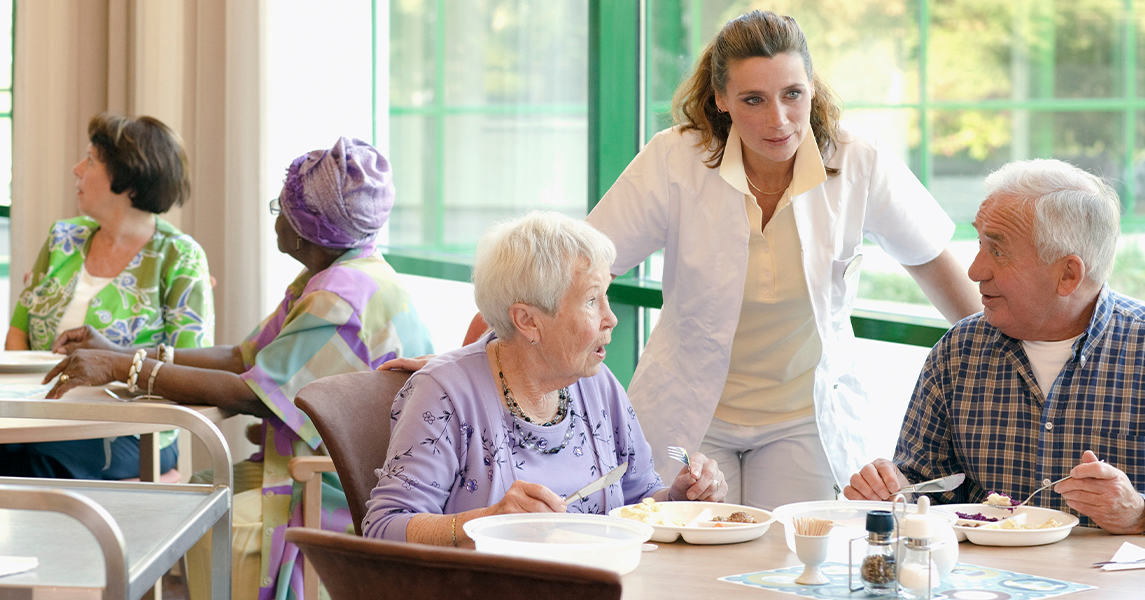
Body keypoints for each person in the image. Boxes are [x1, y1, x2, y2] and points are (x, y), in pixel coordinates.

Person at [583, 10, 982, 510]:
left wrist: (1010, 356)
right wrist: (499, 360)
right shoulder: (675, 158)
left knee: (792, 564)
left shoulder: (857, 160)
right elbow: (583, 269)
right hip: (691, 415)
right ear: (721, 100)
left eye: (792, 94)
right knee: (690, 563)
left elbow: (940, 270)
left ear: (811, 88)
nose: (778, 119)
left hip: (805, 419)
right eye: (753, 99)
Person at [45, 137, 434, 598]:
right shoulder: (339, 273)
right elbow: (243, 357)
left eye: (281, 207)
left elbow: (252, 393)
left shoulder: (339, 297)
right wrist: (125, 353)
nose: (277, 218)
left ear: (307, 227)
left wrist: (121, 367)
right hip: (333, 468)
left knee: (197, 510)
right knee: (197, 489)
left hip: (342, 487)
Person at [363, 211, 726, 545]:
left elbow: (639, 498)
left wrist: (681, 498)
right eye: (590, 301)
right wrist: (488, 522)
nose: (610, 318)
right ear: (528, 321)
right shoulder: (445, 396)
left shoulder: (597, 385)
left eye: (607, 298)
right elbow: (384, 527)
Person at [844, 158, 1145, 534]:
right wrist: (893, 494)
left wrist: (1137, 515)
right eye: (979, 243)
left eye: (998, 251)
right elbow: (923, 491)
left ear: (1068, 274)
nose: (974, 271)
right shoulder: (959, 351)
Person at [1, 113, 213, 481]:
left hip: (132, 429)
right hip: (37, 414)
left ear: (126, 180)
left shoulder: (180, 257)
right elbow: (19, 329)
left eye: (90, 161)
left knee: (33, 461)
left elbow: (187, 368)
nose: (76, 169)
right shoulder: (62, 237)